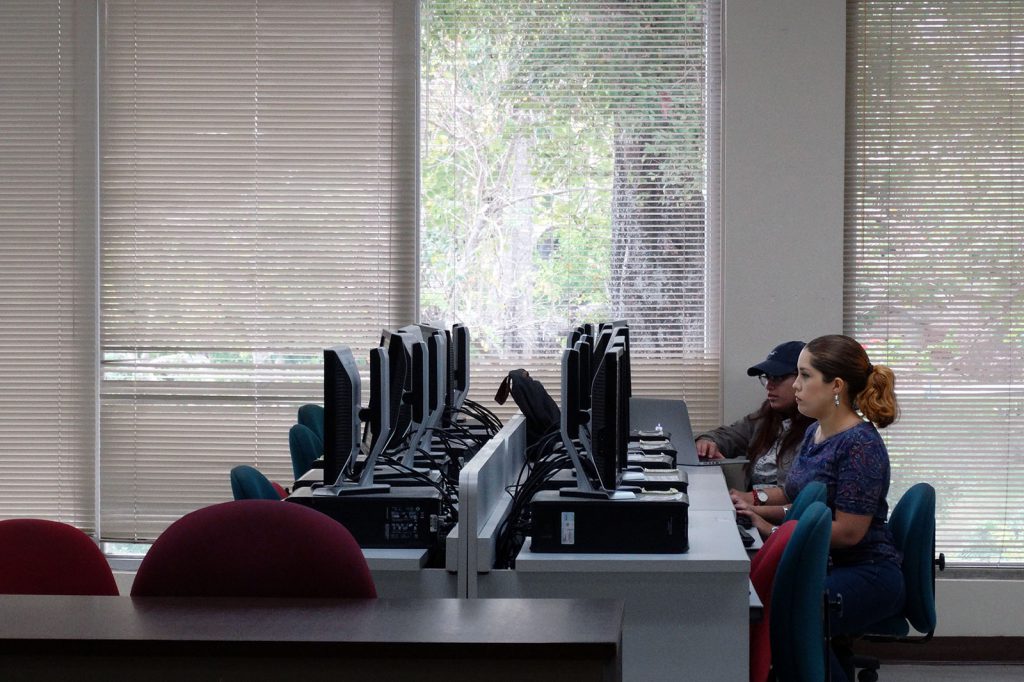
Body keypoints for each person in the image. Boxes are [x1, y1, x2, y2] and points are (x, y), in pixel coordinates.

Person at [731, 334, 905, 682]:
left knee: (791, 613)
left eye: (805, 376)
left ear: (835, 385)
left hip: (866, 572)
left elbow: (849, 532)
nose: (795, 386)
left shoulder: (860, 446)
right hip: (824, 562)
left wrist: (775, 533)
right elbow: (801, 498)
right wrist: (754, 504)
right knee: (778, 607)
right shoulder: (816, 433)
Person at [695, 340, 813, 490]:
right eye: (767, 378)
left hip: (780, 511)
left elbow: (796, 493)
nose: (769, 385)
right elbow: (729, 435)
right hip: (751, 506)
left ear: (802, 378)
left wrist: (752, 501)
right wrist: (706, 442)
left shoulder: (817, 430)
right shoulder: (766, 418)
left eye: (777, 378)